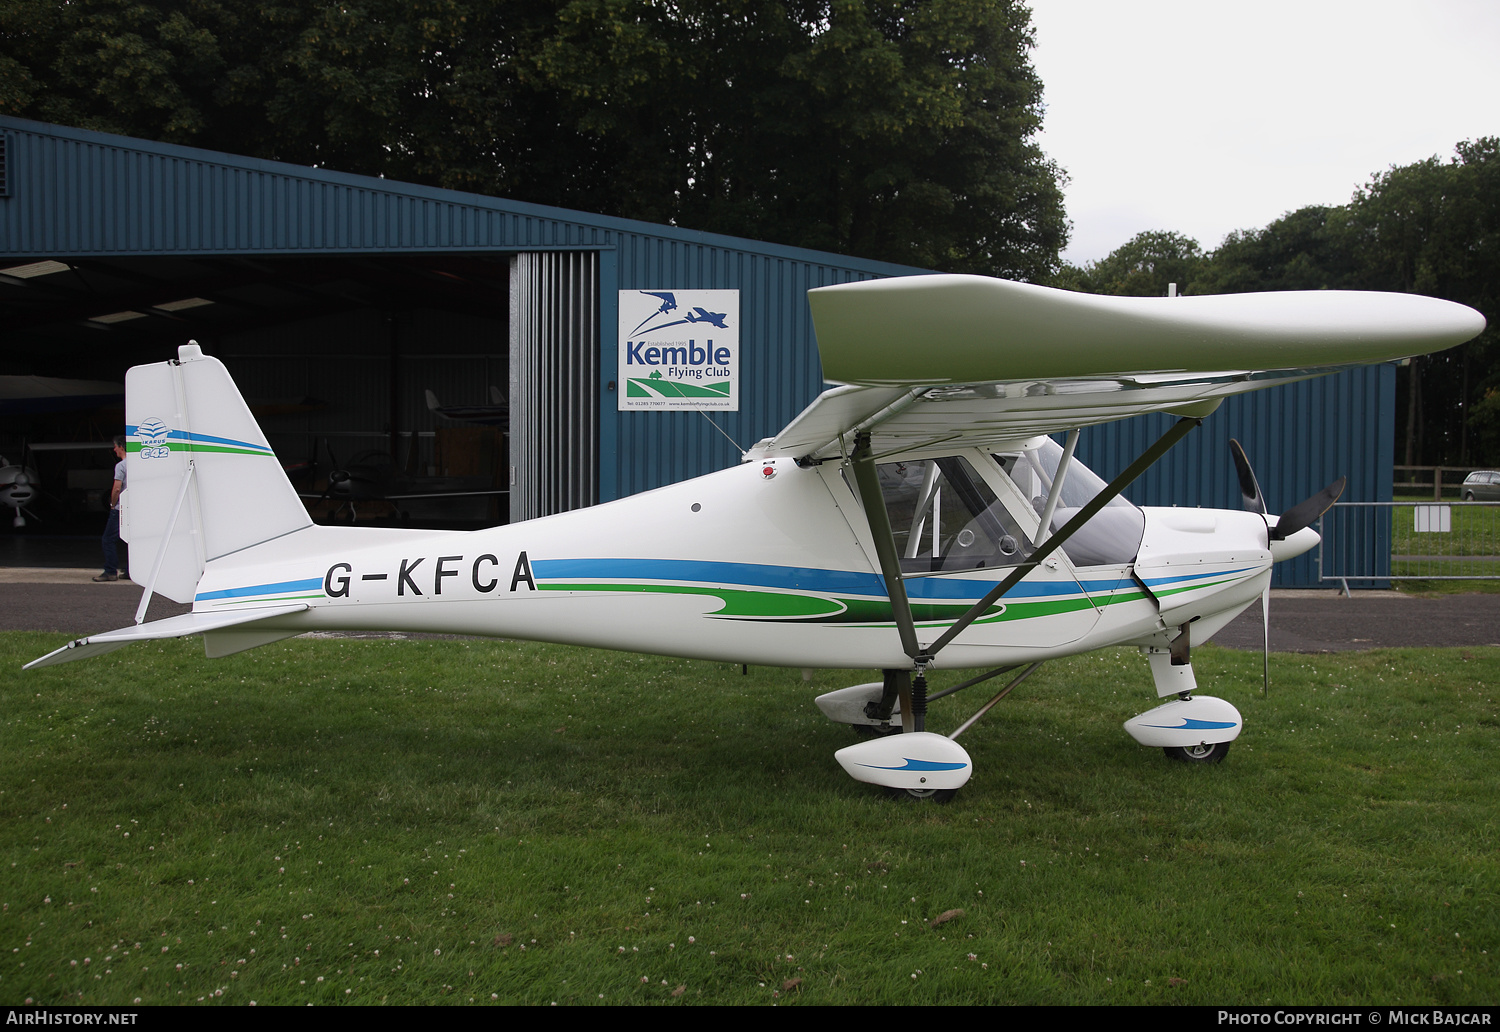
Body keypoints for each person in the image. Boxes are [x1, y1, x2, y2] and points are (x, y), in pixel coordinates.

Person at [94, 436, 127, 582]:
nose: (114, 449)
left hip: (121, 508)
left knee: (108, 539)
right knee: (130, 540)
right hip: (134, 508)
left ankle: (110, 570)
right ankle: (130, 570)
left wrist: (113, 504)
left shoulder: (121, 466)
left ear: (121, 446)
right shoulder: (139, 463)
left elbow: (116, 488)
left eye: (115, 446)